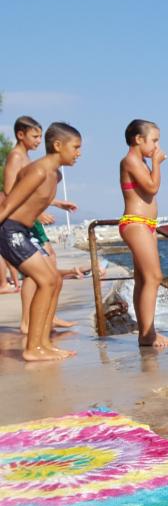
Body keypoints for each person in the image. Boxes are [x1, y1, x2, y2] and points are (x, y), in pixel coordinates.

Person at [0, 122, 82, 361]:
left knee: (55, 280)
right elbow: (7, 204)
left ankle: (43, 343)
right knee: (46, 280)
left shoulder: (55, 174)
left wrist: (56, 204)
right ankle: (32, 349)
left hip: (24, 231)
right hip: (9, 230)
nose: (78, 153)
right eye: (75, 147)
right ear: (57, 145)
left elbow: (35, 197)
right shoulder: (38, 170)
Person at [119, 119, 168, 347]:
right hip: (136, 223)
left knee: (143, 279)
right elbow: (152, 187)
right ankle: (149, 333)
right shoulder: (130, 161)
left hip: (146, 224)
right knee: (154, 277)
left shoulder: (140, 161)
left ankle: (145, 333)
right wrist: (157, 163)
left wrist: (152, 162)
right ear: (138, 139)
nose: (157, 146)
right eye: (154, 140)